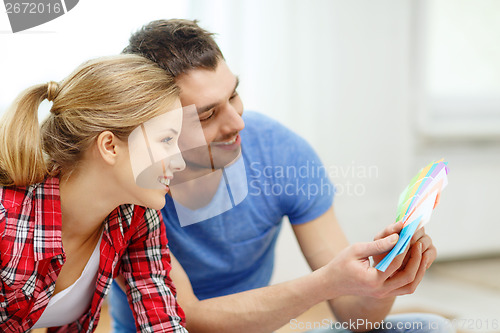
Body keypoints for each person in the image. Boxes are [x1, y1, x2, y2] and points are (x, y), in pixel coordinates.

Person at [108, 19, 454, 333]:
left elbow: (354, 315)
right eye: (208, 114)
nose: (236, 124)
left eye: (234, 96)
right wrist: (325, 283)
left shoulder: (280, 153)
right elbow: (185, 317)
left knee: (428, 328)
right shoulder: (128, 187)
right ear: (155, 124)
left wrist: (380, 280)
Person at [0, 54, 188, 333]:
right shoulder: (6, 220)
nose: (181, 162)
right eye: (166, 140)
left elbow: (161, 319)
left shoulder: (137, 216)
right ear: (110, 146)